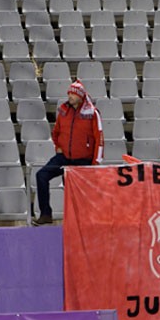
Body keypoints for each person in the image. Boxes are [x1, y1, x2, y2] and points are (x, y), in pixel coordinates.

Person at [34, 80, 104, 226]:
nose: (70, 96)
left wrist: (96, 162)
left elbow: (99, 138)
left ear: (80, 96)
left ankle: (84, 220)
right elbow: (56, 132)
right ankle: (46, 214)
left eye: (72, 93)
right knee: (41, 175)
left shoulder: (93, 113)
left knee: (77, 192)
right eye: (69, 93)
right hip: (64, 157)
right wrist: (57, 146)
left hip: (83, 160)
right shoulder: (63, 111)